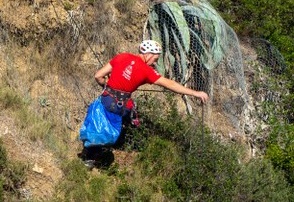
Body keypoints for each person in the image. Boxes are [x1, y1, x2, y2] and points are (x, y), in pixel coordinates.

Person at [81, 39, 209, 164]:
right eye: (155, 59)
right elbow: (170, 84)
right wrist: (195, 93)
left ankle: (93, 150)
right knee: (126, 121)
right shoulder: (147, 71)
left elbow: (98, 76)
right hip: (117, 106)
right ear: (148, 54)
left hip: (105, 99)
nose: (154, 63)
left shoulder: (122, 56)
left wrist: (106, 84)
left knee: (116, 118)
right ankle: (96, 156)